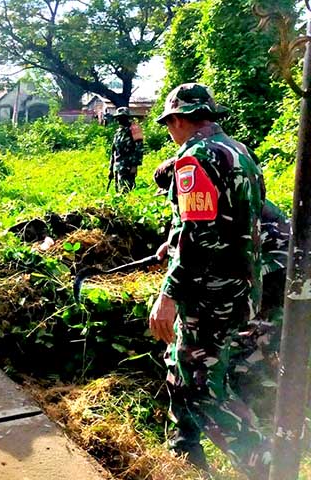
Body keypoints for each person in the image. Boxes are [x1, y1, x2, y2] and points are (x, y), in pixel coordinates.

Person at [147, 83, 271, 477]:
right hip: (241, 289)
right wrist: (175, 238)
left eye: (170, 124)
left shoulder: (195, 158)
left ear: (181, 120)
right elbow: (236, 218)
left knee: (201, 388)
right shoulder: (240, 151)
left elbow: (199, 237)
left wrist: (168, 294)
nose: (170, 132)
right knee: (180, 362)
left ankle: (263, 466)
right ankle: (183, 450)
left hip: (209, 295)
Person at [153, 157, 290, 421]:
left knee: (245, 346)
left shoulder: (199, 189)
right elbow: (187, 230)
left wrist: (173, 284)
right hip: (279, 268)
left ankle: (261, 412)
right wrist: (169, 245)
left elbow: (200, 240)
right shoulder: (226, 189)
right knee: (264, 333)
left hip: (270, 268)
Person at [108, 107, 144, 192]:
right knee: (119, 193)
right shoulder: (118, 132)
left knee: (127, 192)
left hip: (128, 167)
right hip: (117, 167)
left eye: (122, 117)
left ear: (127, 118)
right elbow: (113, 152)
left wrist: (134, 166)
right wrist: (110, 169)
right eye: (118, 118)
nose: (119, 120)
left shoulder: (134, 130)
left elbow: (139, 148)